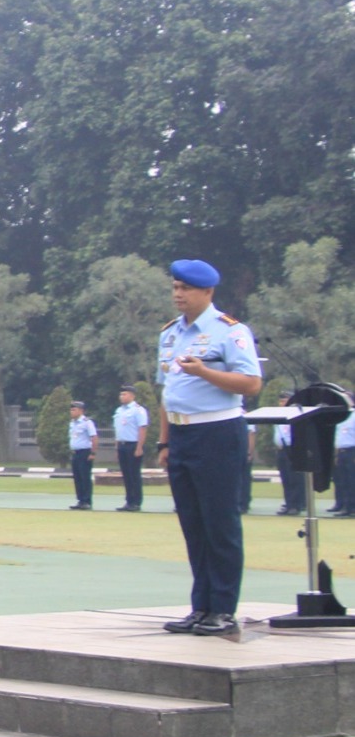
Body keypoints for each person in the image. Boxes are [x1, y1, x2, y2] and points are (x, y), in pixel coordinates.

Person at [153, 259, 262, 634]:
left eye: (185, 289)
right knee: (193, 524)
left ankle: (223, 608)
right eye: (175, 288)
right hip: (182, 436)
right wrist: (164, 441)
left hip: (218, 431)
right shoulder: (169, 334)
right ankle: (201, 606)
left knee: (220, 523)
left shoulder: (230, 332)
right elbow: (167, 392)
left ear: (207, 292)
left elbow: (250, 383)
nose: (178, 295)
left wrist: (205, 372)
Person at [111, 385, 149, 512]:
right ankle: (129, 501)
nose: (122, 397)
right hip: (122, 445)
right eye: (121, 394)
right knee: (126, 475)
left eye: (125, 394)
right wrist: (117, 448)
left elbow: (142, 429)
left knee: (134, 474)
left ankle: (136, 502)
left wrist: (139, 447)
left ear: (132, 396)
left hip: (133, 445)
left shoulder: (138, 410)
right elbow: (118, 430)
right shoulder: (119, 411)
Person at [67, 399, 98, 509]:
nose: (71, 412)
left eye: (74, 409)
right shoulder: (72, 423)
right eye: (71, 410)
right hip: (76, 453)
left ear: (81, 410)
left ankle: (87, 501)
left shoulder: (87, 422)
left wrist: (93, 452)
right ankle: (80, 500)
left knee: (85, 477)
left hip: (85, 452)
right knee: (77, 478)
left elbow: (94, 437)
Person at [273, 405, 303, 516]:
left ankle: (295, 505)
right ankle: (288, 503)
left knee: (293, 478)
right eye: (280, 400)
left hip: (291, 448)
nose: (282, 402)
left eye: (284, 400)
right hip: (281, 450)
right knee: (285, 478)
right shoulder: (279, 415)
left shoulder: (294, 415)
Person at [331, 407, 355, 518]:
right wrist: (336, 454)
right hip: (341, 452)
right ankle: (346, 506)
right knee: (343, 481)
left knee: (352, 481)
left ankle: (352, 507)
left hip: (352, 451)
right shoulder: (341, 416)